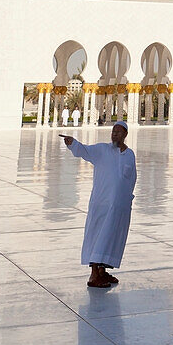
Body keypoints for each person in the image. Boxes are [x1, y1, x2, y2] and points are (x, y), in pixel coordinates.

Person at [62, 121, 136, 288]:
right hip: (102, 203)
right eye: (113, 131)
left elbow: (132, 178)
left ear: (125, 135)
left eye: (118, 132)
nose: (115, 134)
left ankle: (103, 271)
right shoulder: (102, 150)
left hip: (119, 206)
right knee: (98, 236)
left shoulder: (129, 154)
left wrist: (128, 198)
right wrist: (73, 143)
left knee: (111, 237)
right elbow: (84, 150)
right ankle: (94, 275)